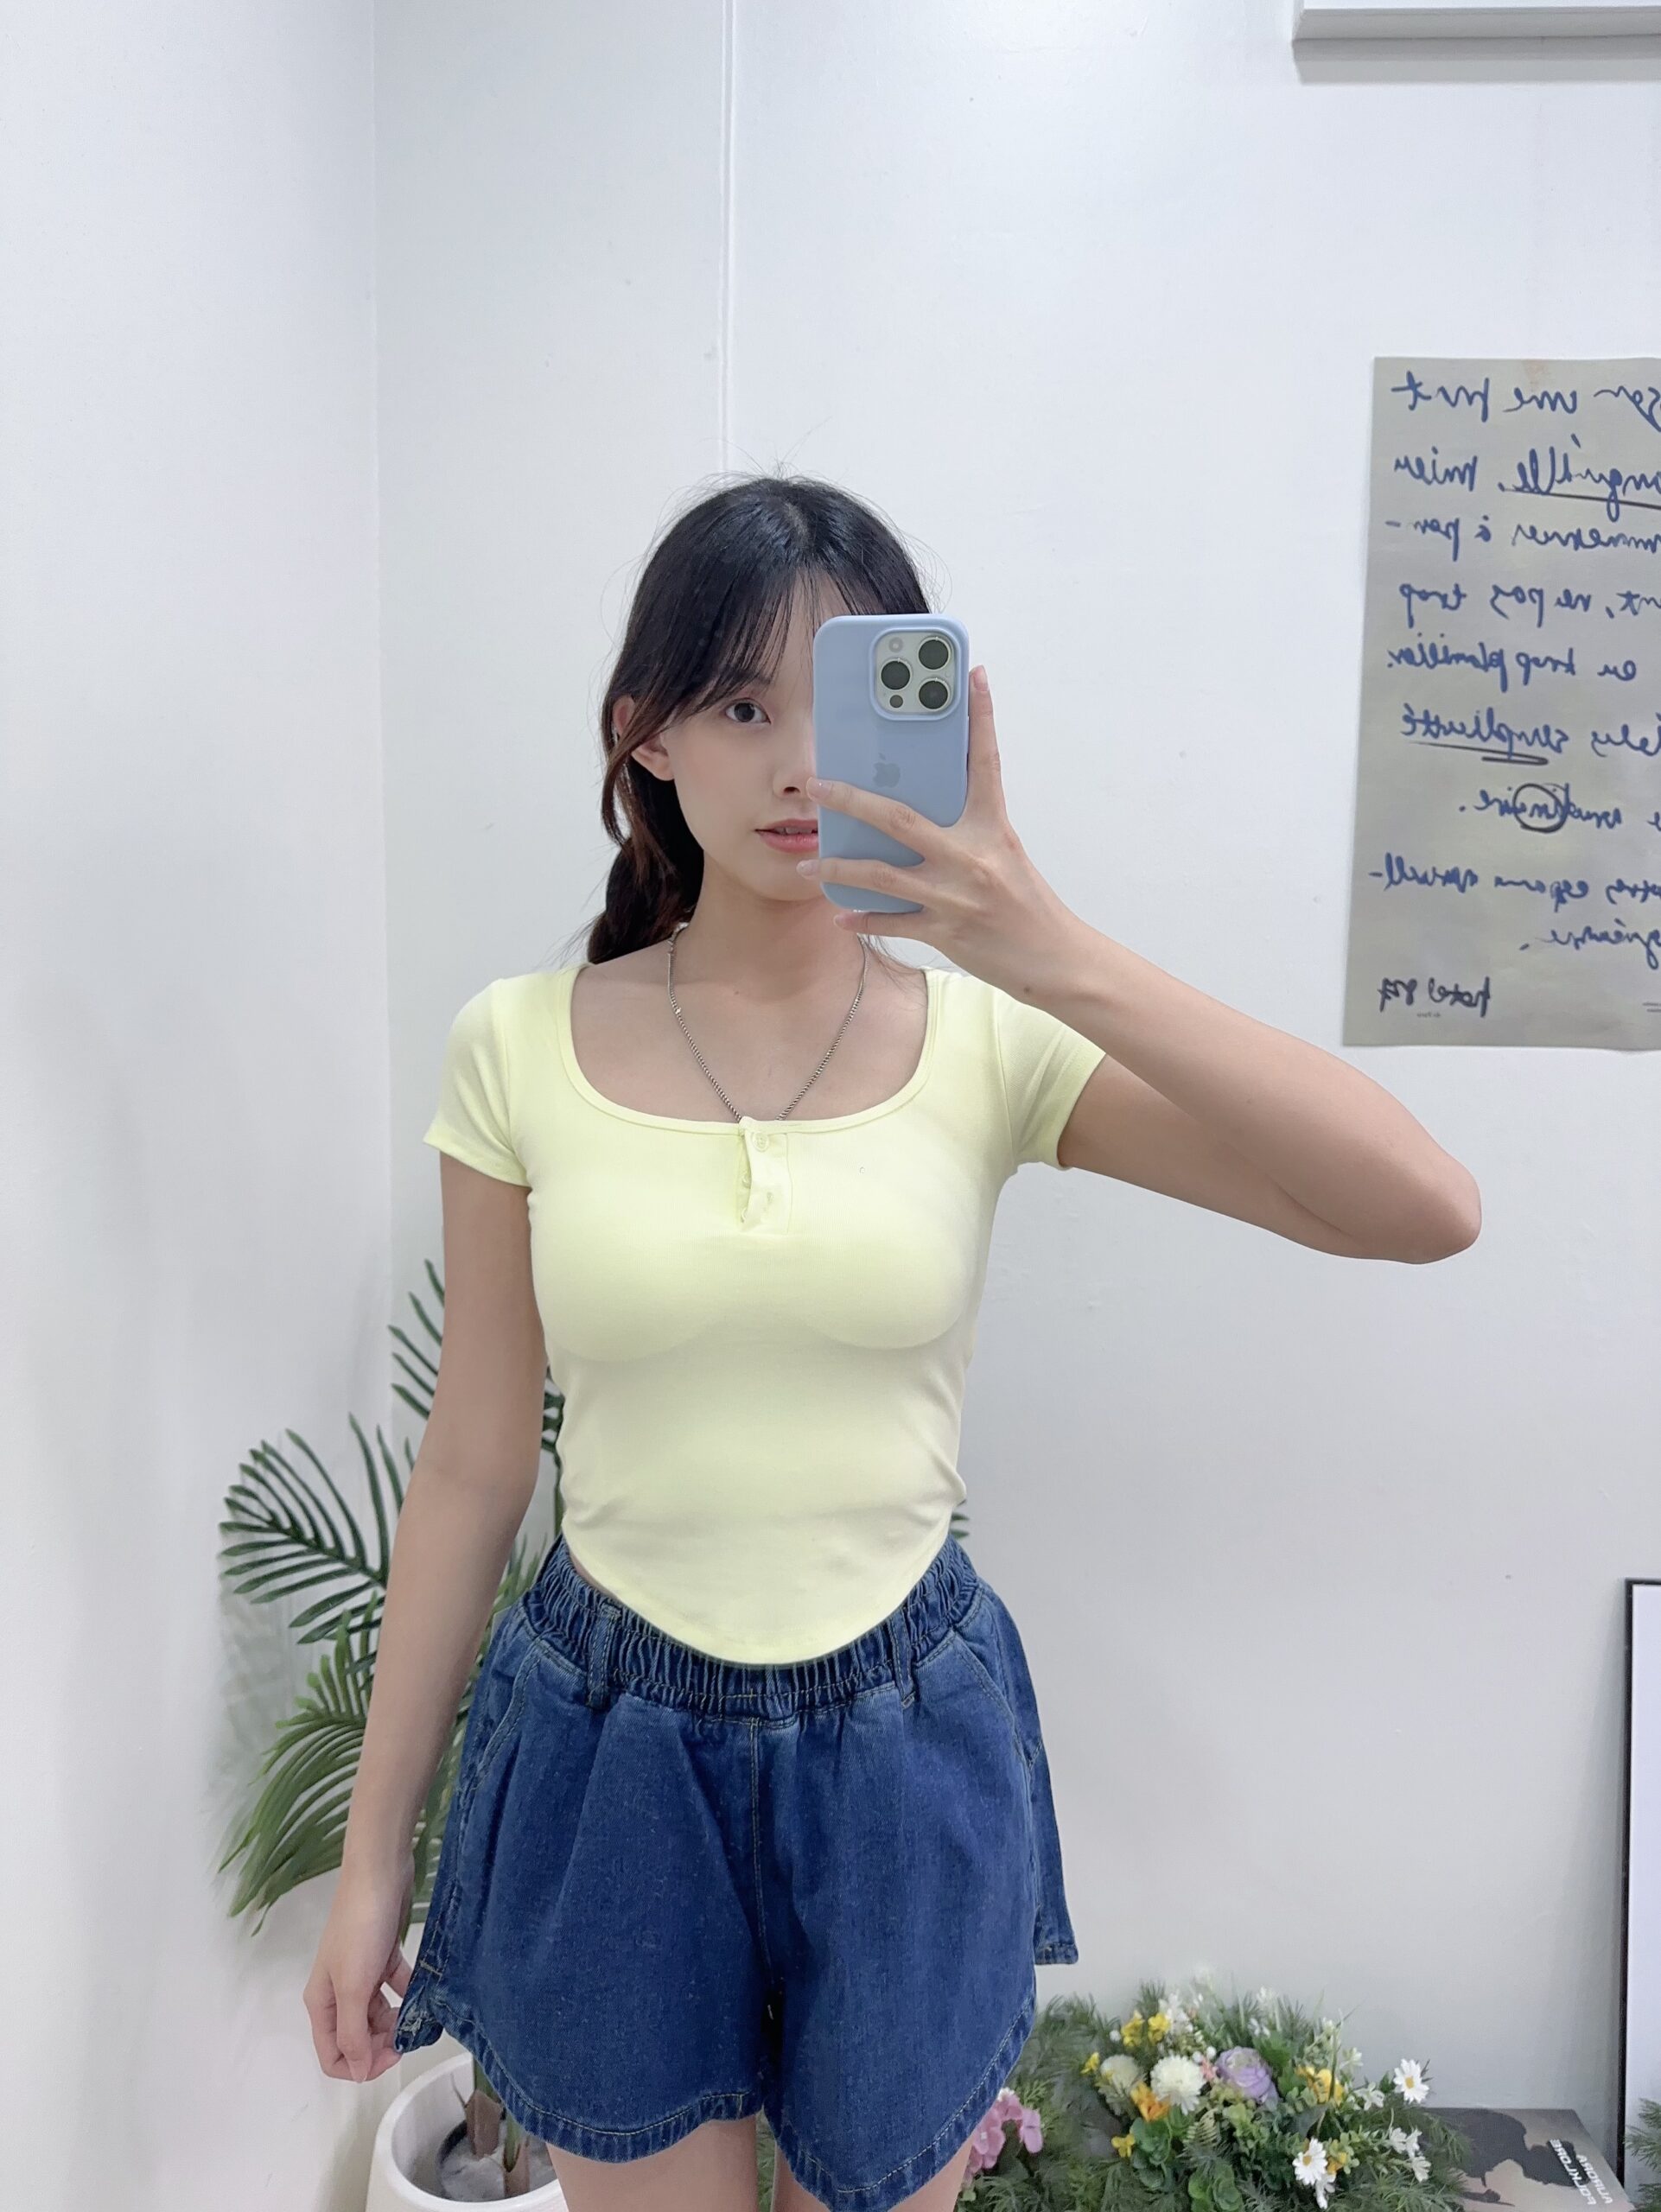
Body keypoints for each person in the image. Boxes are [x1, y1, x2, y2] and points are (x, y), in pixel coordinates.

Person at [303, 474, 1481, 2212]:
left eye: (843, 701)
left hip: (903, 1740)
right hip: (610, 1750)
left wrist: (1042, 941)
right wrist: (367, 1866)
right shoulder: (518, 1043)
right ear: (643, 734)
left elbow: (1418, 1203)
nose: (797, 765)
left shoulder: (987, 1039)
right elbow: (473, 1467)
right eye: (740, 704)